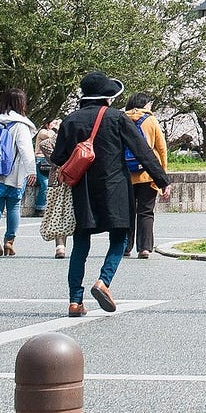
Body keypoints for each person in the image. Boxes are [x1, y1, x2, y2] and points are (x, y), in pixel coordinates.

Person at [52, 72, 169, 316]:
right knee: (120, 238)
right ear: (107, 96)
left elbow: (58, 157)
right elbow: (142, 151)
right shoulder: (116, 118)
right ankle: (103, 282)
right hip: (114, 188)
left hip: (82, 190)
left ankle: (75, 301)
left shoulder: (70, 120)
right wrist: (162, 180)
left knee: (81, 244)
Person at [0, 89, 37, 258]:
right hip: (13, 173)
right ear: (21, 103)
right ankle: (9, 241)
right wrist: (32, 171)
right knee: (14, 207)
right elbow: (25, 150)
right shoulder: (20, 124)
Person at [121, 93, 170, 258]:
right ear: (145, 104)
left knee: (126, 212)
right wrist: (162, 175)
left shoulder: (121, 119)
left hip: (125, 174)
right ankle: (144, 248)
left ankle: (124, 247)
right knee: (146, 211)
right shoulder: (151, 120)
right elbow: (161, 148)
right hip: (147, 174)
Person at [34, 117, 62, 254]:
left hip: (56, 173)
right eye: (55, 122)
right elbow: (46, 141)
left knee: (58, 212)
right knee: (44, 185)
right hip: (42, 164)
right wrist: (56, 128)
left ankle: (60, 246)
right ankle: (39, 207)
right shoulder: (44, 132)